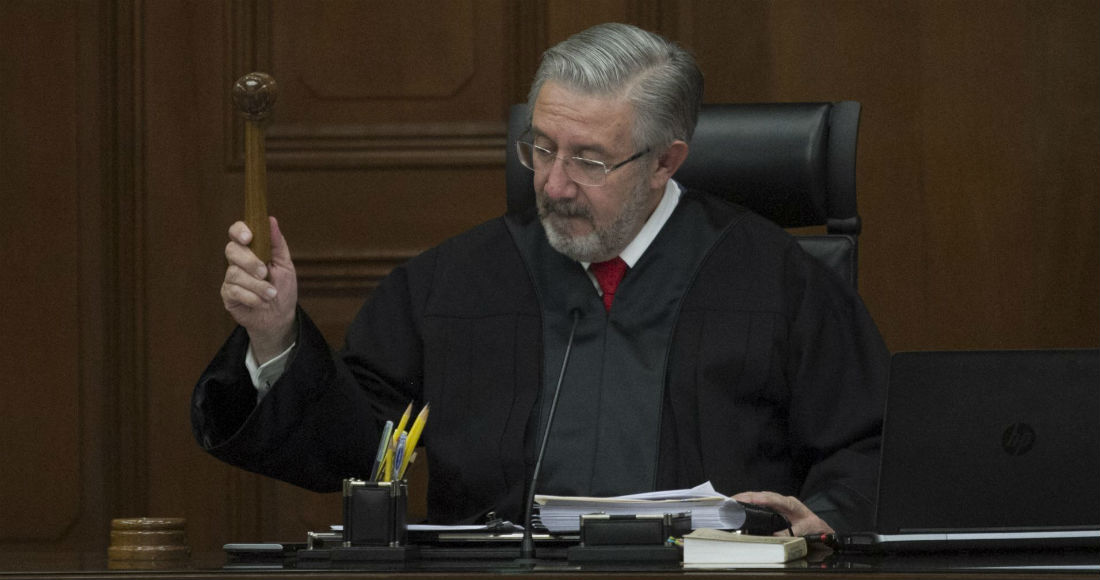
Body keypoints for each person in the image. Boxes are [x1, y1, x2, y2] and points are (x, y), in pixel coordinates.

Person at [193, 22, 888, 535]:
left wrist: (826, 518)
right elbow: (357, 449)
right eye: (542, 148)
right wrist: (277, 336)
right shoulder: (457, 283)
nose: (553, 185)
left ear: (664, 162)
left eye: (589, 160)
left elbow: (867, 443)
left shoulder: (777, 281)